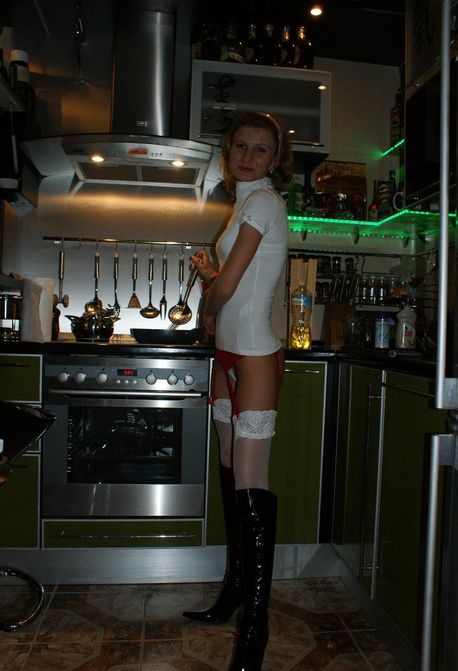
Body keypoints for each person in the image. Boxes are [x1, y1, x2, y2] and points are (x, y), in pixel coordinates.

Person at [183, 110, 294, 670]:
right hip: (229, 352)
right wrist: (211, 279)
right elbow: (233, 282)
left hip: (251, 353)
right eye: (241, 147)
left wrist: (209, 299)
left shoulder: (264, 202)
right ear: (228, 153)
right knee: (230, 470)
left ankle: (256, 627)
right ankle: (233, 592)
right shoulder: (244, 205)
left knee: (250, 480)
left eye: (261, 149)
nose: (249, 156)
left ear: (275, 160)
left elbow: (229, 289)